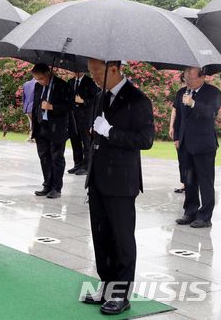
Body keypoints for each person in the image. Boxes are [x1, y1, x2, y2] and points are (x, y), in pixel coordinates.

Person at [82, 59, 154, 315]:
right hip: (98, 178)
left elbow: (145, 140)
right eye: (90, 72)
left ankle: (121, 293)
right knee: (101, 237)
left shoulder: (138, 99)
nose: (93, 77)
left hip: (121, 182)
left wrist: (111, 132)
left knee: (122, 239)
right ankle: (106, 283)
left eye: (97, 72)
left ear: (114, 69)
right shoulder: (101, 97)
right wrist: (96, 132)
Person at [173, 67, 221, 229]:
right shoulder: (181, 93)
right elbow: (179, 117)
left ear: (202, 77)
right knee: (188, 179)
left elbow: (211, 113)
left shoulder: (213, 92)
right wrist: (177, 137)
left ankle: (205, 217)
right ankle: (190, 212)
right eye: (186, 78)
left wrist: (193, 103)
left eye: (191, 79)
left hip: (204, 145)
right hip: (185, 144)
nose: (188, 82)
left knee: (205, 182)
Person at [30, 63, 72, 198]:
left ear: (48, 74)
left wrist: (52, 107)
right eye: (37, 79)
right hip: (41, 126)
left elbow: (69, 106)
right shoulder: (38, 86)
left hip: (57, 128)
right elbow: (36, 105)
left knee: (56, 157)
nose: (39, 82)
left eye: (41, 78)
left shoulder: (62, 86)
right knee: (44, 157)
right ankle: (47, 184)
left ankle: (56, 188)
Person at [67, 71, 99, 176]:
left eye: (78, 70)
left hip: (85, 117)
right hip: (73, 116)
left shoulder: (90, 82)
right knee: (75, 141)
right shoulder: (70, 82)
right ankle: (77, 164)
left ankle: (86, 167)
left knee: (86, 143)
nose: (75, 72)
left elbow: (95, 99)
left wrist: (83, 101)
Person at [169, 72, 186, 193]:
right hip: (178, 129)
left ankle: (193, 184)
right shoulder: (180, 93)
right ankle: (185, 184)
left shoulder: (197, 94)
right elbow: (174, 110)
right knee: (182, 159)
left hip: (190, 132)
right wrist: (171, 127)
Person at [22, 77, 37, 142]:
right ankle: (33, 137)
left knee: (31, 122)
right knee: (35, 122)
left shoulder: (26, 84)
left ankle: (31, 136)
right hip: (35, 106)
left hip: (27, 107)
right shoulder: (38, 83)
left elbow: (24, 97)